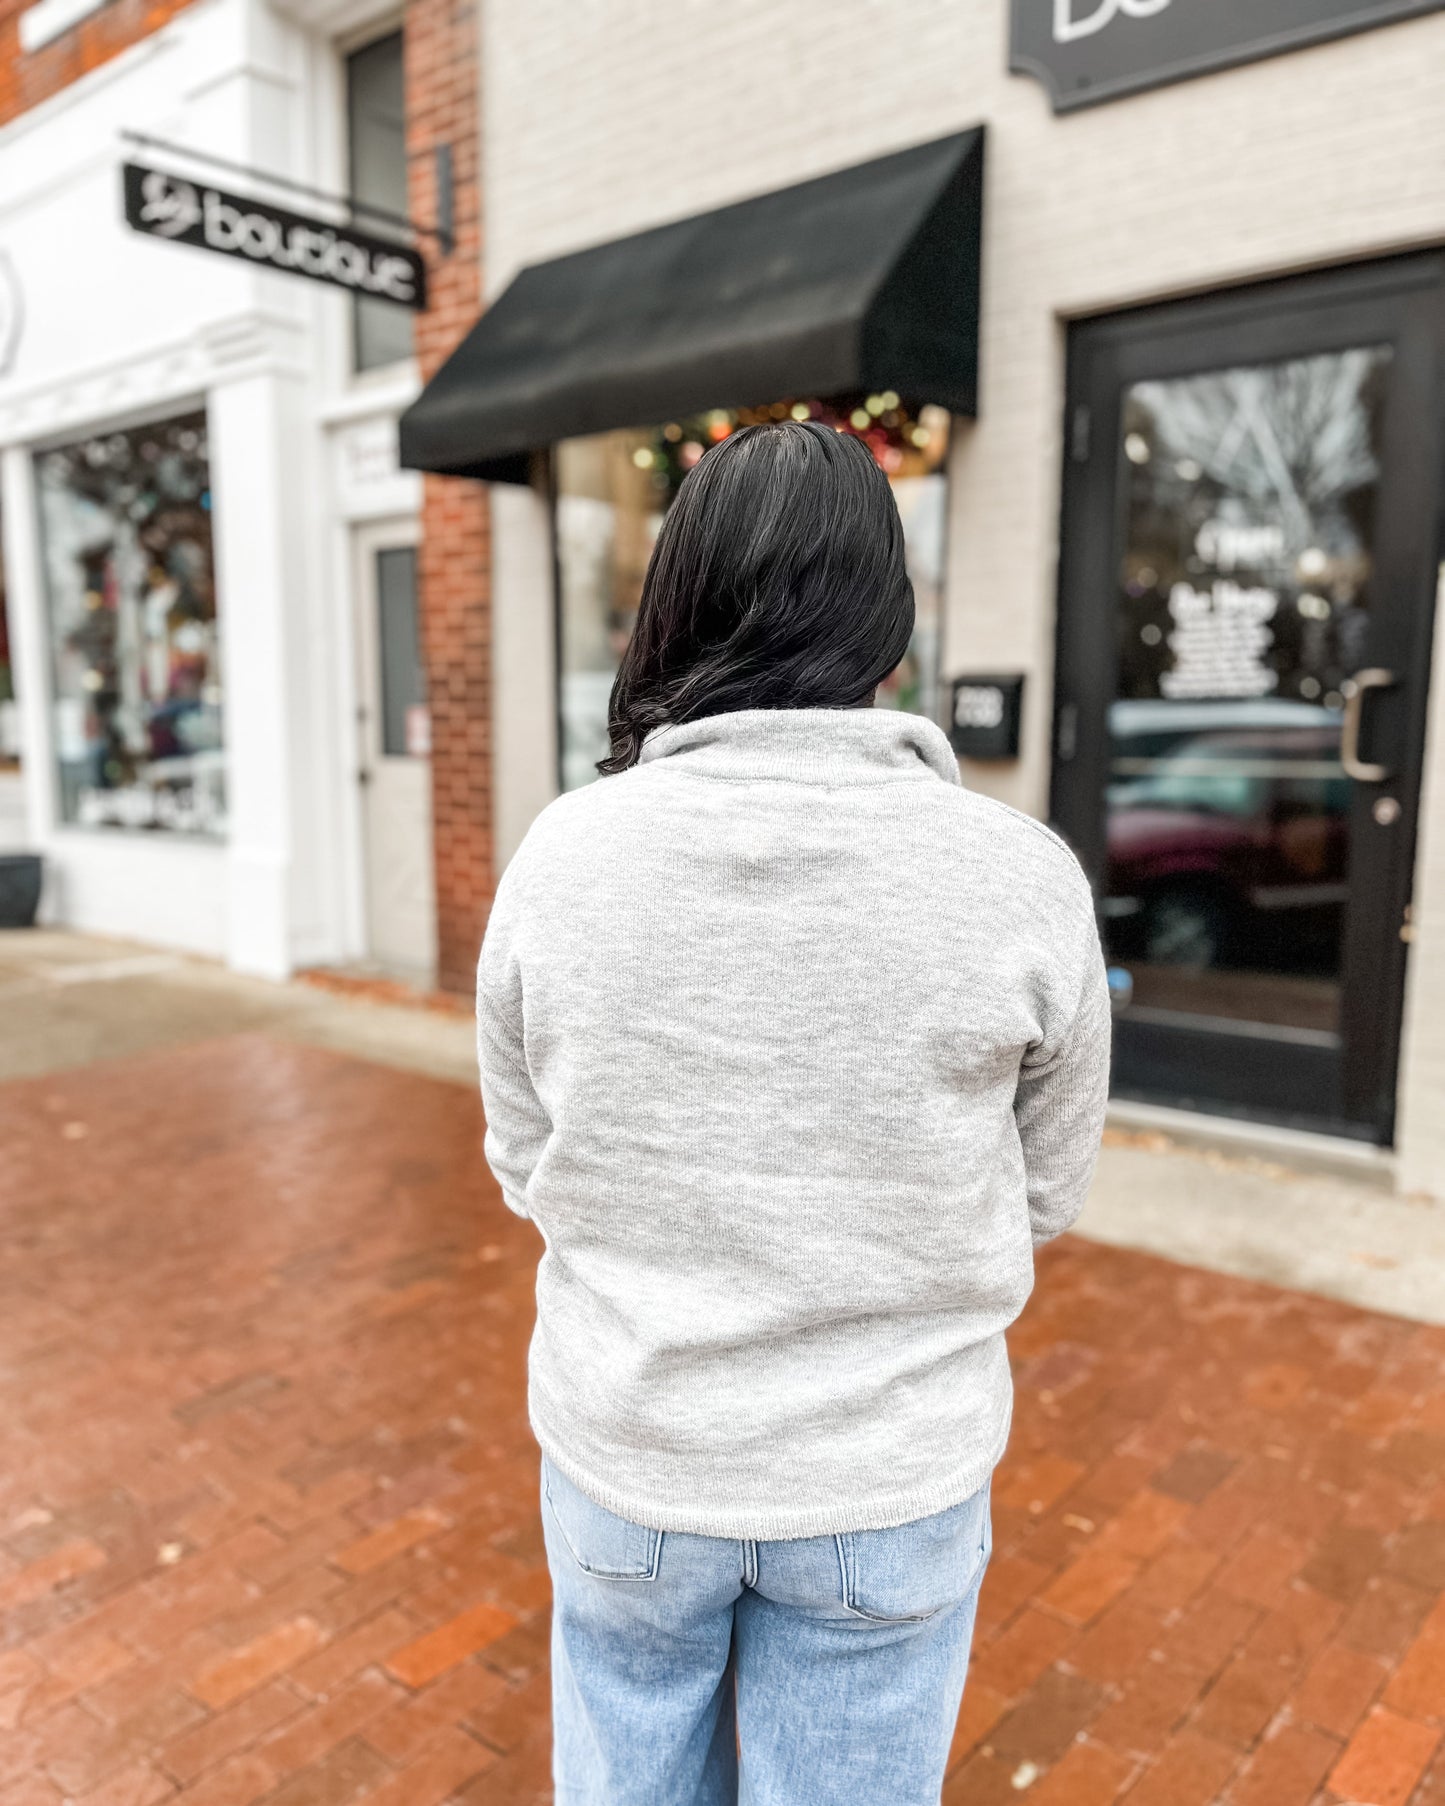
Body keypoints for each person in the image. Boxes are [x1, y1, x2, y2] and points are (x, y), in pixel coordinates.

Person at [476, 419, 1111, 1805]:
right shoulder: (1019, 876)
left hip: (631, 1459)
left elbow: (524, 1153)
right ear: (888, 616)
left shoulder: (561, 856)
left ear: (674, 602)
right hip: (886, 1478)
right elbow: (1046, 1188)